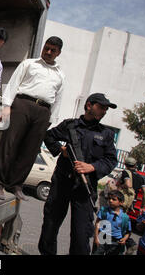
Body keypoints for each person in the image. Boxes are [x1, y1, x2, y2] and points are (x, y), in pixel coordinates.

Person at [38, 93, 118, 255]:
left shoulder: (107, 134)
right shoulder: (70, 126)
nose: (104, 111)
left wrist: (92, 167)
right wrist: (61, 151)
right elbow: (49, 136)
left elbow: (111, 160)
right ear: (89, 105)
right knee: (50, 225)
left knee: (81, 235)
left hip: (85, 187)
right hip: (62, 183)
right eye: (101, 107)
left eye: (106, 109)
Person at [0, 36, 65, 201]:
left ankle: (15, 185)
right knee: (9, 144)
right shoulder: (29, 63)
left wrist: (51, 120)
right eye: (46, 48)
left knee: (30, 150)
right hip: (22, 104)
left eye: (53, 50)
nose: (48, 52)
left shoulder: (60, 75)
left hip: (44, 112)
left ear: (58, 53)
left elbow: (58, 98)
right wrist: (7, 106)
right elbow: (13, 83)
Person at [120, 156, 145, 254]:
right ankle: (127, 242)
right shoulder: (140, 177)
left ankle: (129, 242)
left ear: (125, 164)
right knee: (122, 222)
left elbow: (128, 184)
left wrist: (119, 186)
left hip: (122, 202)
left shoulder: (125, 173)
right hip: (131, 204)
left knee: (115, 221)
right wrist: (142, 206)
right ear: (135, 165)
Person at [92, 190, 131, 255]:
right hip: (103, 237)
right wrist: (96, 237)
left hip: (116, 241)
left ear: (121, 202)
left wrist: (124, 239)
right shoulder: (104, 210)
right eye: (109, 198)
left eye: (114, 199)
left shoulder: (125, 217)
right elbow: (97, 223)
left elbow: (128, 232)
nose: (110, 200)